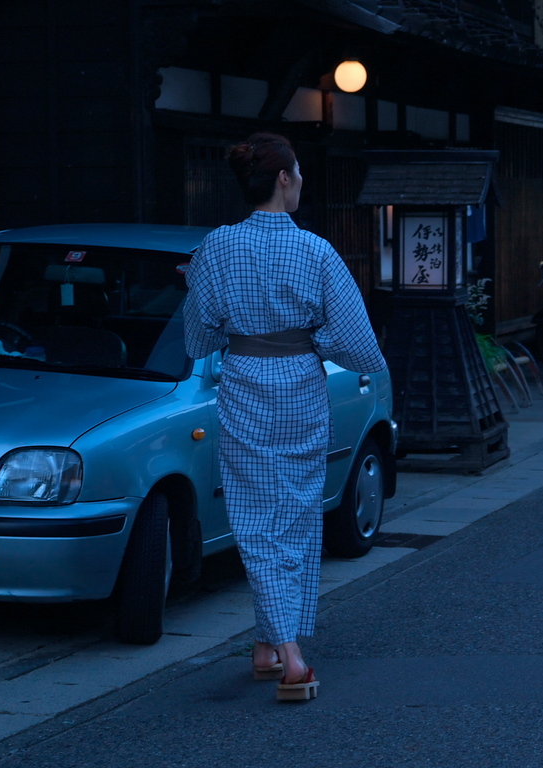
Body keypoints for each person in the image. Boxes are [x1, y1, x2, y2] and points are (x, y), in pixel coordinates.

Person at [183, 132, 387, 701]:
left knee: (252, 514)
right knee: (296, 514)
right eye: (298, 172)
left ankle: (271, 646)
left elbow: (199, 337)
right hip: (300, 385)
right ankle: (290, 653)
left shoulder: (214, 249)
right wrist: (310, 340)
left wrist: (213, 298)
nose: (301, 182)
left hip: (244, 382)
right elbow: (358, 345)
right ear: (283, 179)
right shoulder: (317, 251)